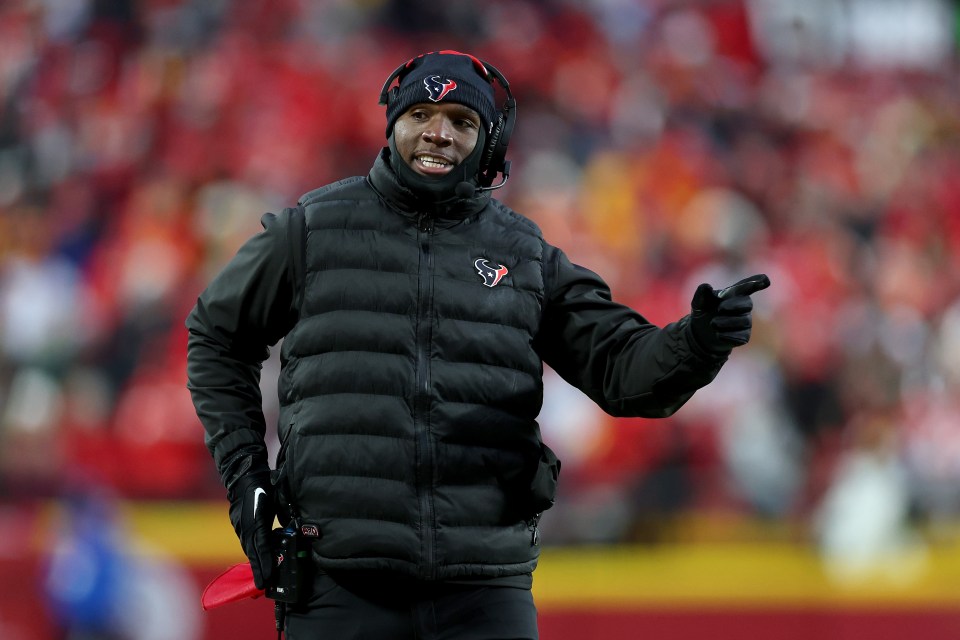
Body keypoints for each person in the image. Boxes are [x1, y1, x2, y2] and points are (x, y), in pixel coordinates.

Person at [186, 50, 770, 640]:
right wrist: (247, 483)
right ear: (392, 123)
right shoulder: (309, 231)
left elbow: (621, 369)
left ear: (489, 141)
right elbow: (216, 337)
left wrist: (697, 343)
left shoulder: (527, 255)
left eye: (462, 121)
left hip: (484, 587)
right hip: (341, 581)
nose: (438, 133)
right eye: (421, 113)